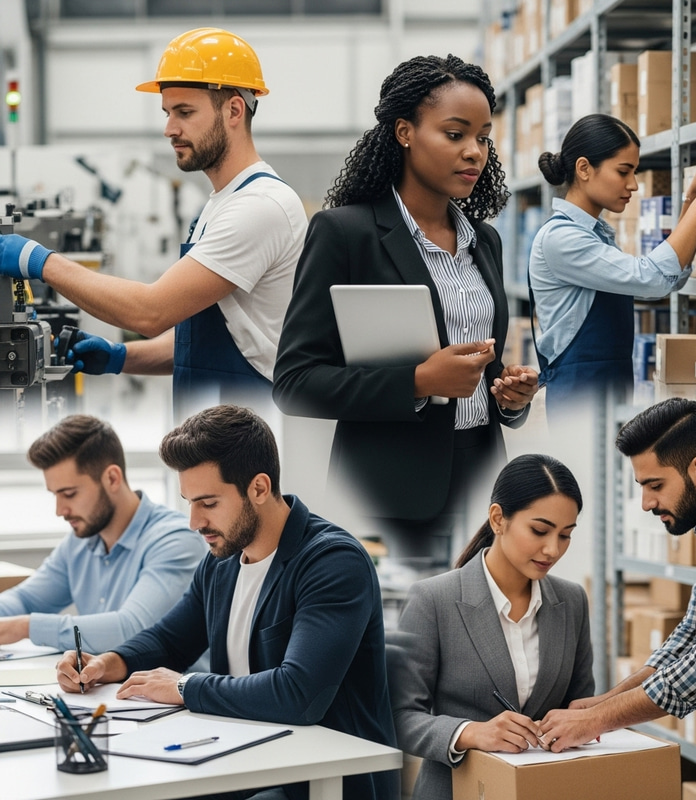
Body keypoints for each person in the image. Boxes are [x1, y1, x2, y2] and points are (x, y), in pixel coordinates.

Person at [55, 404, 399, 800]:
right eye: (190, 502)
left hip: (320, 779)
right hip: (242, 756)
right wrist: (105, 663)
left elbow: (299, 695)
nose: (194, 522)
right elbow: (171, 640)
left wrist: (184, 686)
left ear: (259, 488)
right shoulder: (223, 560)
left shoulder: (333, 562)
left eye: (209, 503)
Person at [273, 54, 537, 559]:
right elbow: (295, 382)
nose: (474, 152)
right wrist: (418, 382)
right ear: (404, 132)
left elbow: (475, 363)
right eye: (455, 134)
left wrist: (508, 396)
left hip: (484, 493)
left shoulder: (485, 241)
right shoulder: (345, 234)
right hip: (388, 501)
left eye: (483, 137)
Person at [0, 28, 307, 419]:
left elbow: (151, 311)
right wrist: (119, 356)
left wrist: (38, 260)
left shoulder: (260, 207)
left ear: (234, 110)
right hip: (216, 424)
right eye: (168, 113)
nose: (169, 129)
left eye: (185, 112)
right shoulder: (222, 204)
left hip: (251, 431)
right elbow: (206, 339)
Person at [533, 398, 696, 800]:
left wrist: (595, 723)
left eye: (655, 485)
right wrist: (599, 704)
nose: (646, 503)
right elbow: (691, 635)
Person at [390, 454, 594, 800]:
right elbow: (397, 716)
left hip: (545, 790)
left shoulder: (572, 601)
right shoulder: (433, 599)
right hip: (458, 790)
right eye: (540, 531)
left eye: (566, 535)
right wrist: (471, 732)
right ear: (498, 519)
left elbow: (579, 706)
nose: (553, 549)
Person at [528, 113, 696, 414]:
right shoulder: (562, 239)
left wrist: (693, 199)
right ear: (584, 168)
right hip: (579, 398)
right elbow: (652, 279)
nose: (633, 184)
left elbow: (670, 280)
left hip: (607, 390)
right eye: (624, 171)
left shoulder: (595, 234)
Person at [0, 414, 205, 653]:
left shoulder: (176, 539)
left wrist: (24, 627)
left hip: (168, 687)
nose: (60, 510)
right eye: (54, 495)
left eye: (69, 494)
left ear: (112, 478)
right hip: (101, 686)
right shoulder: (79, 542)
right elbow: (23, 600)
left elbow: (131, 630)